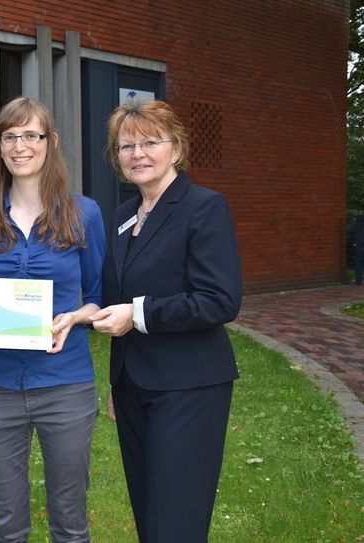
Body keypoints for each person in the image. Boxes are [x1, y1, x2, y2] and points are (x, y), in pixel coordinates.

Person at [91, 100, 242, 542]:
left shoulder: (204, 207)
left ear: (175, 149)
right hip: (135, 385)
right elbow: (111, 296)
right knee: (149, 511)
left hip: (188, 386)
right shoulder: (121, 216)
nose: (137, 153)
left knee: (175, 518)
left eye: (150, 142)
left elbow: (219, 300)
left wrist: (137, 314)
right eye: (126, 146)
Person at [0, 96, 106, 542]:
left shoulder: (85, 214)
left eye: (31, 135)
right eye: (10, 136)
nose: (20, 146)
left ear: (51, 142)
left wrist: (76, 316)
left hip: (66, 384)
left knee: (70, 520)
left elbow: (99, 297)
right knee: (6, 524)